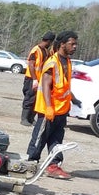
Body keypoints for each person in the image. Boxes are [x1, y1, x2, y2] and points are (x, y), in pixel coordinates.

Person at [26, 30, 80, 179]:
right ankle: (31, 163)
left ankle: (53, 166)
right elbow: (45, 85)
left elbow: (63, 85)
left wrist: (73, 99)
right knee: (39, 138)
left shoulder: (67, 61)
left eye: (76, 44)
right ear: (62, 44)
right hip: (48, 110)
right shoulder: (52, 62)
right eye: (72, 44)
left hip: (61, 110)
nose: (75, 47)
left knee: (56, 139)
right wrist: (49, 108)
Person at [21, 31, 55, 125]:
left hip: (40, 79)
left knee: (36, 99)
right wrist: (34, 79)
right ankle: (24, 119)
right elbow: (31, 65)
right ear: (49, 41)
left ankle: (31, 118)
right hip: (32, 78)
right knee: (29, 98)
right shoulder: (36, 50)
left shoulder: (46, 51)